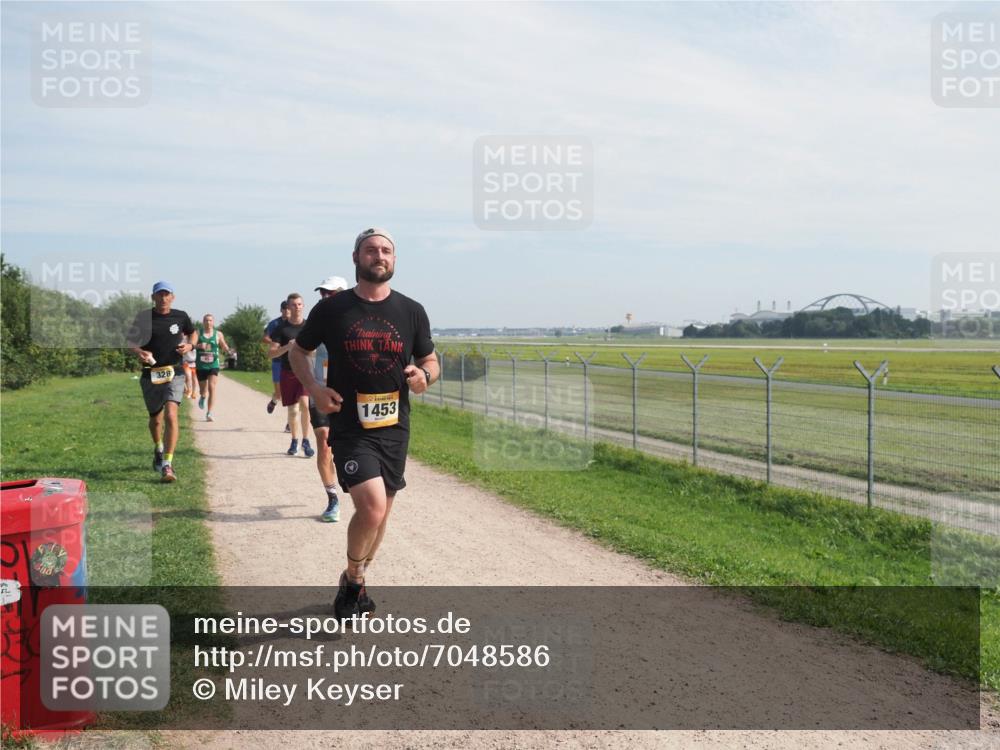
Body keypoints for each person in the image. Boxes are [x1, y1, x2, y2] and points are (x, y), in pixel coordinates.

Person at [290, 227, 438, 619]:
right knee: (371, 509)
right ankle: (354, 579)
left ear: (394, 260)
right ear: (356, 257)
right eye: (371, 250)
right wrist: (315, 389)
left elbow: (431, 361)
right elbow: (298, 352)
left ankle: (355, 582)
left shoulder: (411, 310)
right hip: (351, 425)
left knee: (382, 514)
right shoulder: (333, 309)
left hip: (394, 425)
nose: (379, 255)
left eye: (387, 250)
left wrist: (426, 377)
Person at [126, 281, 196, 483]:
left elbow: (193, 332)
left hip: (175, 371)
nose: (163, 298)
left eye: (167, 294)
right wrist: (140, 352)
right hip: (151, 373)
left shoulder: (180, 316)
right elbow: (131, 342)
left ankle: (167, 464)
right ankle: (158, 447)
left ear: (172, 297)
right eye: (160, 294)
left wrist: (190, 344)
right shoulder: (143, 318)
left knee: (171, 415)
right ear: (153, 297)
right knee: (156, 419)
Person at [309, 275, 349, 522]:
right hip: (321, 394)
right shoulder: (317, 319)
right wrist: (311, 385)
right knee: (323, 441)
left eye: (330, 293)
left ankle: (349, 479)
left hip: (348, 395)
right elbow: (300, 351)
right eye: (322, 293)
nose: (324, 298)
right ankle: (332, 497)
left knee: (346, 447)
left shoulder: (355, 321)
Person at [270, 293, 312, 456]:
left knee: (305, 404)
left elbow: (318, 350)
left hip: (306, 372)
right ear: (288, 307)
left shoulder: (310, 326)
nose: (297, 307)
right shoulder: (281, 329)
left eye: (300, 304)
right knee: (293, 410)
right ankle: (294, 441)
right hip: (287, 372)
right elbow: (271, 353)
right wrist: (287, 347)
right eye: (294, 305)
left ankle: (306, 441)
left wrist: (312, 351)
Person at [195, 313, 231, 422]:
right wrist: (199, 346)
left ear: (213, 322)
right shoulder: (198, 333)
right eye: (206, 320)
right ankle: (202, 397)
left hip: (213, 364)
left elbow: (224, 345)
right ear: (203, 322)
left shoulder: (218, 334)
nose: (208, 322)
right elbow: (190, 345)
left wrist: (226, 349)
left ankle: (209, 412)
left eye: (210, 320)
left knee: (212, 387)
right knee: (203, 390)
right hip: (201, 365)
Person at [262, 300, 290, 421]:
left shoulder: (297, 323)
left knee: (292, 394)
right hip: (278, 361)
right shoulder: (274, 323)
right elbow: (265, 338)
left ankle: (290, 422)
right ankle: (274, 401)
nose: (287, 311)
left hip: (293, 362)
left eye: (288, 308)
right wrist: (275, 342)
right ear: (281, 310)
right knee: (279, 393)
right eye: (284, 309)